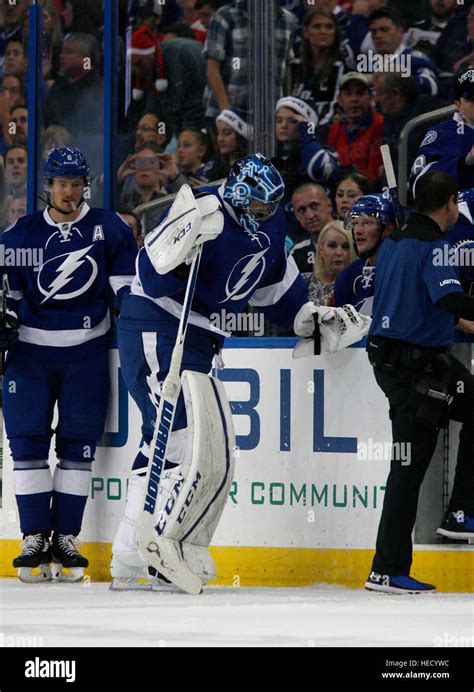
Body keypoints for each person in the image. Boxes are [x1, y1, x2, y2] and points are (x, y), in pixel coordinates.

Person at [111, 153, 332, 589]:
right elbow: (150, 277)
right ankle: (150, 549)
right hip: (158, 321)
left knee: (171, 438)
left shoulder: (268, 224)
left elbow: (277, 283)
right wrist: (181, 254)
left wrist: (308, 317)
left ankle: (130, 552)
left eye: (271, 207)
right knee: (176, 436)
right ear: (237, 195)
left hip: (201, 332)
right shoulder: (199, 209)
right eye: (257, 207)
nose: (264, 215)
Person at [1, 147, 138, 583]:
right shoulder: (19, 235)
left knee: (78, 448)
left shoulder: (109, 228)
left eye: (76, 184)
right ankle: (34, 536)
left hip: (86, 352)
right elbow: (9, 296)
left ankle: (67, 537)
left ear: (85, 186)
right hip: (29, 354)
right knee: (26, 447)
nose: (69, 191)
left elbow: (125, 288)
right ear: (48, 186)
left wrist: (131, 314)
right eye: (62, 183)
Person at [365, 171, 474, 594]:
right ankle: (386, 568)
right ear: (449, 202)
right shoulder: (435, 246)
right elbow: (448, 298)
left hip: (409, 361)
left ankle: (462, 511)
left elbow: (428, 302)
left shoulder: (392, 241)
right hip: (415, 369)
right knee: (407, 469)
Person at [203, 0, 296, 122]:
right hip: (227, 112)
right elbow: (212, 68)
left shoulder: (288, 20)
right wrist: (226, 113)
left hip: (270, 115)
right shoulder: (225, 16)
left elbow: (286, 66)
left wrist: (286, 105)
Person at [410, 66, 474, 197]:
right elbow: (419, 186)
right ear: (458, 105)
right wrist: (465, 161)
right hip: (460, 212)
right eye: (472, 100)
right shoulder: (441, 134)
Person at [333, 193, 396, 315]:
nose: (358, 231)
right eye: (355, 223)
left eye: (366, 223)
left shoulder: (402, 273)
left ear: (388, 229)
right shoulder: (349, 275)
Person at [290, 7, 347, 128]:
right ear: (305, 32)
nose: (323, 31)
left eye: (329, 27)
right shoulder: (293, 66)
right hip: (294, 130)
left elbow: (336, 107)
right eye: (317, 26)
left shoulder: (342, 66)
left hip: (326, 131)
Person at [365, 8, 439, 96]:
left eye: (384, 30)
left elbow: (431, 86)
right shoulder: (368, 65)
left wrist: (389, 79)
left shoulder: (415, 58)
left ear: (400, 32)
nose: (378, 35)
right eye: (374, 32)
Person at [325, 72, 383, 183]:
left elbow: (374, 175)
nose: (354, 99)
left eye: (360, 93)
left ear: (371, 98)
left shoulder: (380, 125)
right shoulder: (335, 128)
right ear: (339, 100)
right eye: (348, 94)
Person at [301, 220, 355, 305]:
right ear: (321, 250)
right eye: (332, 246)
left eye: (345, 247)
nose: (339, 252)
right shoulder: (303, 282)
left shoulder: (355, 288)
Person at [289, 183, 333, 272]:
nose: (309, 215)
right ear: (296, 216)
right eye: (302, 210)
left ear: (329, 205)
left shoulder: (352, 241)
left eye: (314, 206)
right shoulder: (297, 251)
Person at [208, 108, 251, 181]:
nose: (220, 139)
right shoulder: (216, 168)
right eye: (218, 133)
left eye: (226, 133)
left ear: (240, 136)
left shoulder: (251, 168)